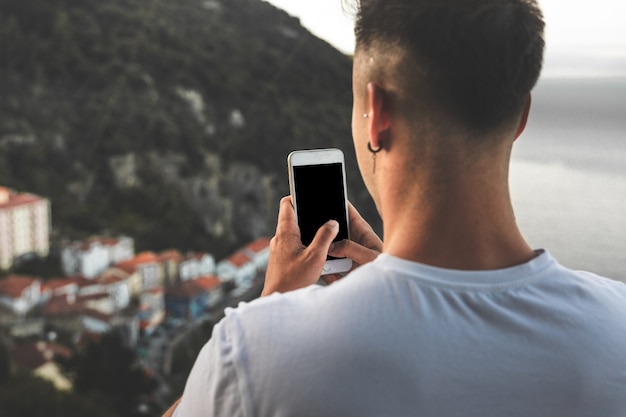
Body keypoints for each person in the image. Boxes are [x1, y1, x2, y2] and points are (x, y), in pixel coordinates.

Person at [165, 0, 626, 415]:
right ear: (520, 116)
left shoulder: (256, 352)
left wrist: (273, 308)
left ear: (377, 113)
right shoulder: (616, 327)